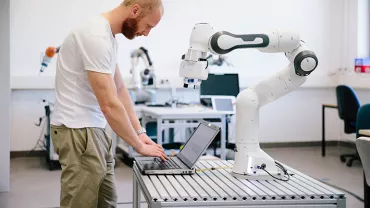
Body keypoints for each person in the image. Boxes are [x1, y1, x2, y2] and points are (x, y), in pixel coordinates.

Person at [50, 0, 168, 207]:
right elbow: (109, 104)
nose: (147, 33)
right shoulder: (95, 35)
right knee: (81, 203)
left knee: (107, 201)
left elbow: (120, 89)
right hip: (79, 131)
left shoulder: (108, 38)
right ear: (134, 10)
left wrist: (140, 132)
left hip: (94, 130)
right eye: (148, 26)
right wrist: (138, 146)